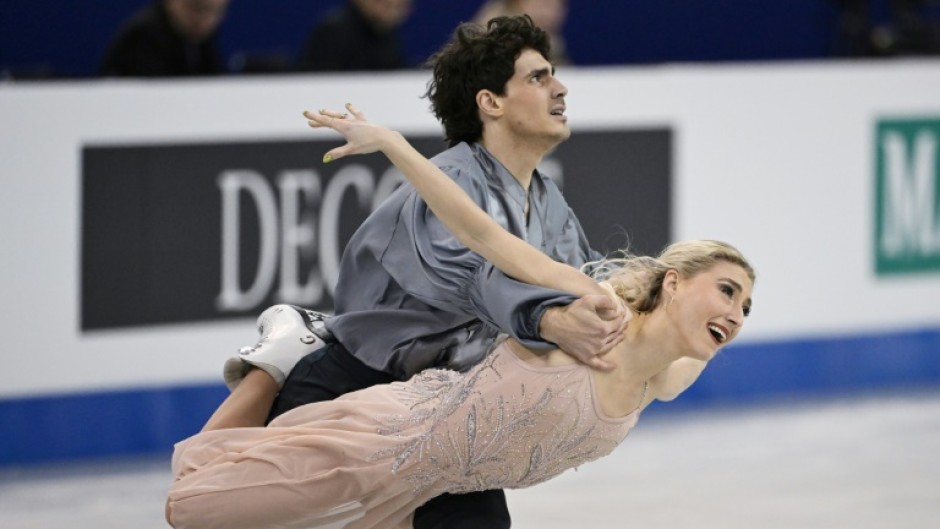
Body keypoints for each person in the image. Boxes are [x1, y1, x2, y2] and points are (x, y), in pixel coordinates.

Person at [165, 105, 756, 529]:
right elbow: (479, 231)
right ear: (674, 283)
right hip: (391, 436)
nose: (735, 314)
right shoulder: (596, 312)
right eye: (727, 291)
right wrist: (395, 145)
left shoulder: (666, 379)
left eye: (746, 307)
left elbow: (691, 344)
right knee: (192, 509)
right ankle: (281, 357)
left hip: (440, 484)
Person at [236, 15, 628, 529]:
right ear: (490, 102)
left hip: (437, 407)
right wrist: (550, 323)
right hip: (347, 391)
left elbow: (582, 279)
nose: (560, 87)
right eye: (538, 77)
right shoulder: (448, 182)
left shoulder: (548, 202)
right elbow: (477, 278)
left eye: (553, 73)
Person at [100, 0, 229, 77]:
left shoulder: (201, 38)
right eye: (196, 8)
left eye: (215, 11)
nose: (206, 20)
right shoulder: (143, 36)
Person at [296, 0, 413, 72]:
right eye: (382, 3)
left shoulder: (386, 33)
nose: (391, 10)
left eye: (398, 6)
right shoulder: (335, 30)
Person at [474, 0, 571, 64]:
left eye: (557, 6)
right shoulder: (497, 31)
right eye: (543, 4)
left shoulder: (552, 41)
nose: (550, 13)